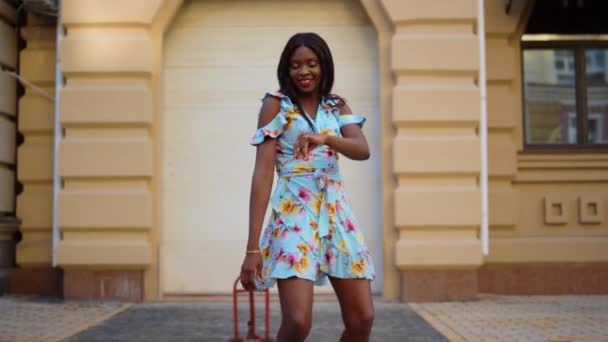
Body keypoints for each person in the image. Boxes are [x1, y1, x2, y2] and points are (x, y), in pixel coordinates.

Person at [240, 32, 375, 342]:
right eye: (295, 65)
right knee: (298, 322)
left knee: (362, 318)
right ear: (286, 70)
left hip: (337, 216)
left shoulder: (336, 105)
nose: (304, 72)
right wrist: (252, 249)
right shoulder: (276, 105)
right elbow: (262, 175)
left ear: (324, 66)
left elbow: (361, 149)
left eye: (312, 64)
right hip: (294, 216)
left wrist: (326, 138)